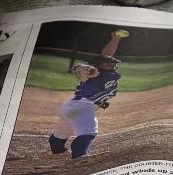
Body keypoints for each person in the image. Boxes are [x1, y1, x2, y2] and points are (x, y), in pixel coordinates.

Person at [48, 29, 126, 160]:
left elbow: (106, 54)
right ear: (99, 65)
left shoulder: (103, 70)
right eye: (108, 63)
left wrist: (115, 38)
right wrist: (87, 69)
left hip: (72, 106)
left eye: (111, 62)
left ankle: (57, 147)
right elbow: (93, 69)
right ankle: (79, 154)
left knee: (65, 131)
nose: (112, 63)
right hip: (83, 107)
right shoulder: (100, 73)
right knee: (89, 130)